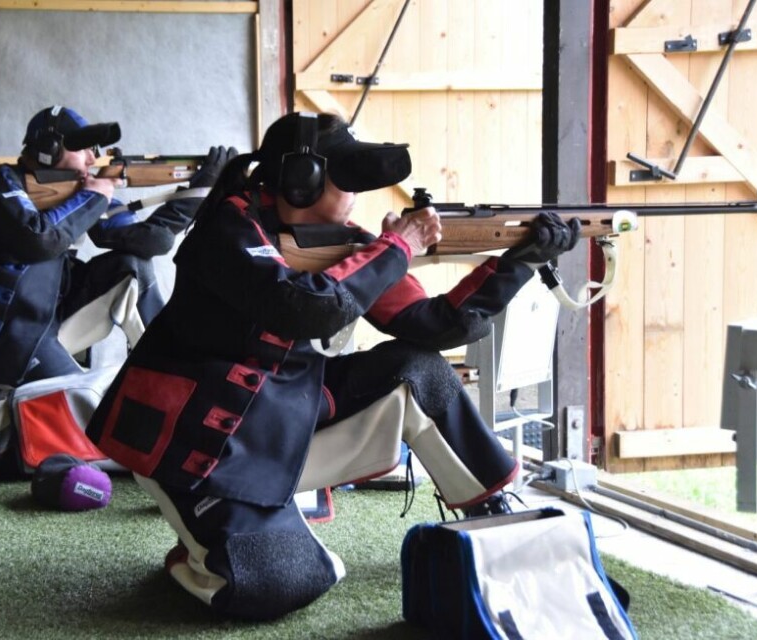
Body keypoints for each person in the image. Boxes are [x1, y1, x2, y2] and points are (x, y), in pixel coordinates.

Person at [85, 111, 581, 620]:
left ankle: (492, 517)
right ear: (302, 182)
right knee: (278, 582)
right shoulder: (226, 227)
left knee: (420, 369)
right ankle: (198, 551)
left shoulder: (342, 240)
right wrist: (397, 248)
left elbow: (435, 325)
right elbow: (304, 305)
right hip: (196, 447)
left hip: (281, 419)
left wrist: (517, 263)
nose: (355, 198)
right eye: (346, 181)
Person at [0, 105, 234, 402]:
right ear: (49, 149)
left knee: (131, 264)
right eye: (84, 149)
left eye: (95, 150)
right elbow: (40, 239)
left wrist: (202, 189)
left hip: (48, 318)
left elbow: (150, 241)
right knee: (84, 406)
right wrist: (94, 196)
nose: (93, 158)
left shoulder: (80, 191)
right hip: (4, 335)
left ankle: (175, 365)